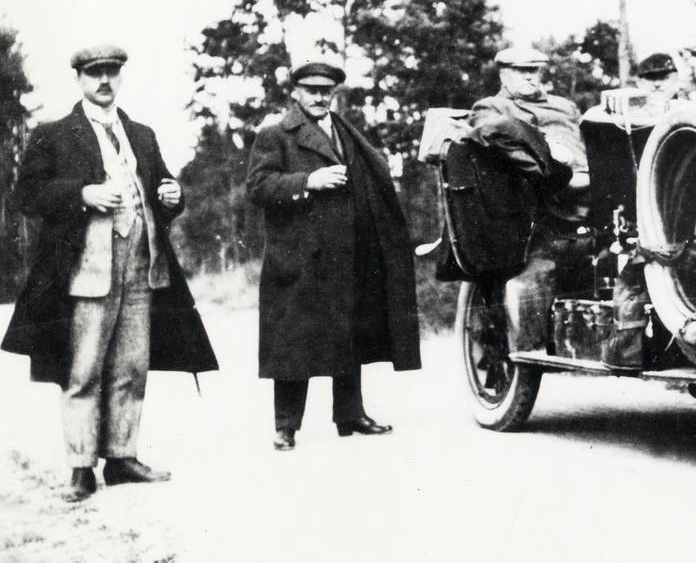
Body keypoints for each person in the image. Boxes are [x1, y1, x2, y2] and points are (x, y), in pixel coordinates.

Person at [1, 45, 218, 503]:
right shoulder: (53, 135)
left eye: (112, 72)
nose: (104, 80)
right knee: (83, 370)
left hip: (142, 264)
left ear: (121, 76)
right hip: (87, 268)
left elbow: (163, 189)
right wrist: (82, 193)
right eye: (95, 73)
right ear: (79, 78)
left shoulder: (141, 134)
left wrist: (173, 195)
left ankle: (121, 458)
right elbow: (27, 195)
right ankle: (81, 467)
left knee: (131, 366)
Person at [246, 59, 421, 451]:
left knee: (349, 332)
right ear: (296, 92)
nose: (319, 97)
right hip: (300, 255)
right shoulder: (276, 134)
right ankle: (286, 426)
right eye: (312, 90)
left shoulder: (346, 132)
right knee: (294, 339)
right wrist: (308, 180)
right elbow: (257, 187)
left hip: (348, 251)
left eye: (326, 91)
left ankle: (350, 414)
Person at [469, 45, 590, 352]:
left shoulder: (565, 107)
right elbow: (490, 133)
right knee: (538, 270)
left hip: (588, 193)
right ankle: (528, 346)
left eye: (534, 70)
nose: (529, 77)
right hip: (536, 203)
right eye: (521, 71)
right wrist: (545, 148)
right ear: (504, 75)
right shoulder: (490, 107)